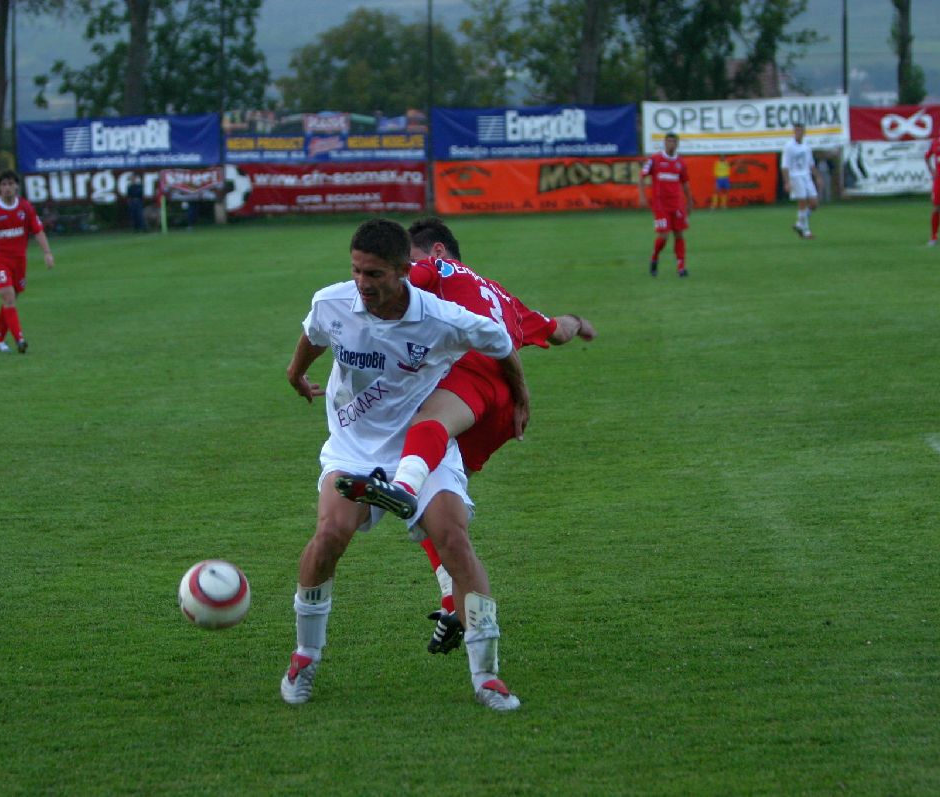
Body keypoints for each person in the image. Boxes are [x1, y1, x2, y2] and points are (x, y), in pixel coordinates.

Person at [283, 218, 524, 711]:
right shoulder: (333, 302)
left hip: (418, 446)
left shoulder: (442, 319)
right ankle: (305, 657)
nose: (362, 284)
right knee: (329, 535)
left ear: (403, 270)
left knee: (453, 540)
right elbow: (314, 334)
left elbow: (501, 343)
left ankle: (487, 676)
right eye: (356, 272)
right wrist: (296, 376)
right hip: (352, 447)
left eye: (374, 275)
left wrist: (521, 397)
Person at [339, 216, 597, 654]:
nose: (408, 270)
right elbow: (556, 330)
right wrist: (578, 320)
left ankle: (402, 493)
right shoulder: (505, 296)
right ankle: (453, 602)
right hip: (501, 410)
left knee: (424, 439)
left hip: (470, 379)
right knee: (440, 511)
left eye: (410, 261)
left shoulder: (440, 269)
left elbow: (393, 289)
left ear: (436, 253)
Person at [0, 169, 54, 354]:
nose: (7, 188)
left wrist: (47, 253)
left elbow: (38, 230)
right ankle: (20, 339)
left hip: (19, 262)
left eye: (10, 184)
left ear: (16, 186)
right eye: (3, 185)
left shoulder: (25, 207)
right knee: (8, 297)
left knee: (10, 300)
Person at [639, 132, 692, 277]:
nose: (671, 144)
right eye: (668, 141)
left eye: (673, 141)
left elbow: (685, 182)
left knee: (679, 233)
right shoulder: (655, 159)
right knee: (664, 235)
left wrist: (690, 200)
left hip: (677, 203)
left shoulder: (680, 162)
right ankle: (654, 257)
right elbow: (642, 176)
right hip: (660, 203)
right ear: (664, 143)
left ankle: (681, 267)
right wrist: (642, 196)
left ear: (677, 144)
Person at [781, 123, 821, 240]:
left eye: (800, 131)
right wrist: (787, 182)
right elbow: (785, 166)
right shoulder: (789, 146)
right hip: (795, 176)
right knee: (802, 201)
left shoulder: (806, 146)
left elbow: (811, 164)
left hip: (806, 176)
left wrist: (818, 176)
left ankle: (799, 223)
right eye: (796, 131)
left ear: (804, 132)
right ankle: (806, 232)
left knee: (814, 204)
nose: (798, 133)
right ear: (794, 132)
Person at [925, 134, 940, 246]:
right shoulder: (936, 141)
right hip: (939, 180)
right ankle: (933, 236)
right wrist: (931, 170)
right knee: (936, 208)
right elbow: (927, 156)